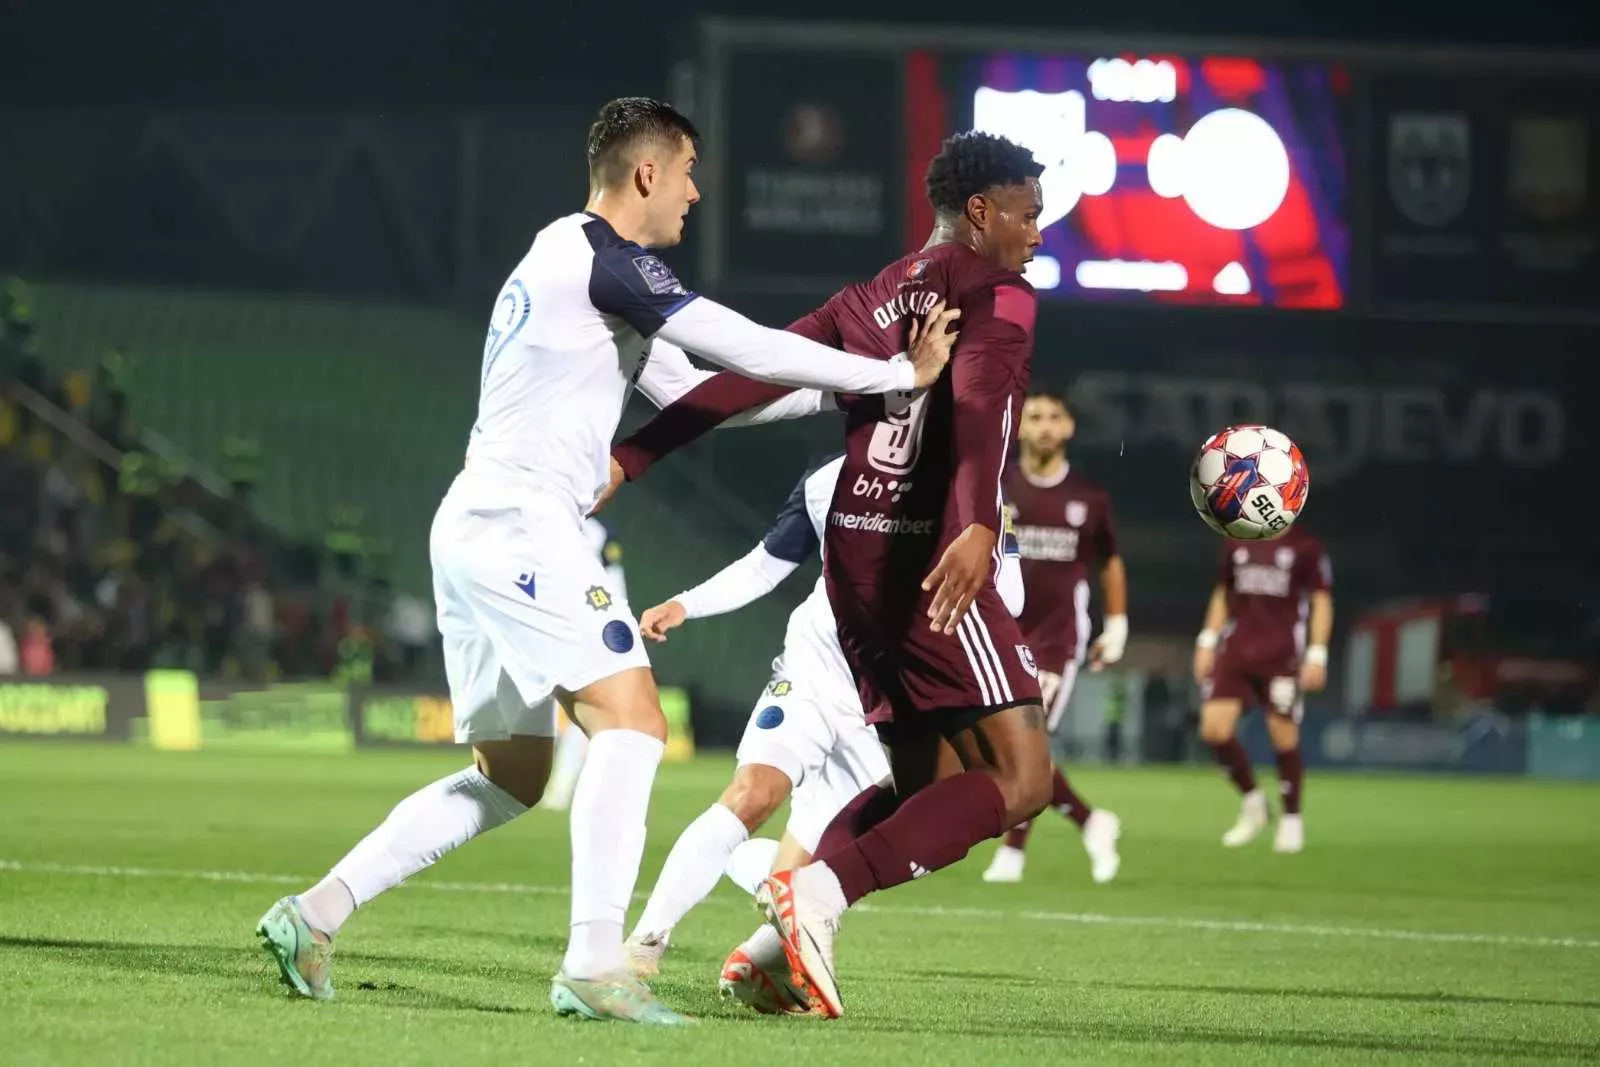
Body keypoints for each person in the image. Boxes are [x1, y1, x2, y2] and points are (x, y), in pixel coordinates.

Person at [252, 96, 959, 1026]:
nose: (697, 194)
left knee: (510, 776)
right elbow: (744, 343)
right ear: (647, 172)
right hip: (522, 522)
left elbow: (705, 394)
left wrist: (856, 401)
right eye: (690, 173)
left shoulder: (571, 266)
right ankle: (594, 964)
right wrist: (893, 374)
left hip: (474, 523)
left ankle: (315, 912)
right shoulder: (602, 259)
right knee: (634, 723)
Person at [608, 130, 1054, 1018]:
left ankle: (775, 950)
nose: (1037, 234)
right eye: (1027, 215)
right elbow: (979, 407)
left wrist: (633, 455)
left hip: (853, 564)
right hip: (934, 558)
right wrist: (975, 521)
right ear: (980, 212)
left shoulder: (871, 295)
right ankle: (814, 892)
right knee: (1023, 780)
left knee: (928, 789)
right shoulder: (998, 291)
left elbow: (752, 377)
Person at [620, 453, 1026, 1015]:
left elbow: (1011, 594)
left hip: (887, 700)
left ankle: (760, 962)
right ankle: (644, 943)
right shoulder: (829, 478)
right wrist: (686, 604)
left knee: (807, 877)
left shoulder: (976, 492)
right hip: (816, 670)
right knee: (754, 791)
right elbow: (768, 564)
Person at [981, 388, 1126, 885]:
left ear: (1069, 428)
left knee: (1025, 743)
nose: (1045, 426)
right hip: (999, 633)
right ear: (1019, 426)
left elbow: (1110, 562)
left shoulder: (1088, 497)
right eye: (1035, 416)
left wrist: (1117, 626)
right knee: (995, 747)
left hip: (1056, 640)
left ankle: (1012, 855)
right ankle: (1090, 821)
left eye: (1054, 417)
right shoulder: (995, 487)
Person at [1192, 525, 1332, 854]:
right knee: (1214, 730)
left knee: (1282, 735)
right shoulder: (1236, 539)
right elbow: (1224, 592)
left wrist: (1317, 653)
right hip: (1236, 651)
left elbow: (1321, 599)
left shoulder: (1305, 546)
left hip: (1282, 655)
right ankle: (1254, 803)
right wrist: (1207, 640)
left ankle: (1291, 818)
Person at [539, 517, 628, 812]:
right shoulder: (539, 519)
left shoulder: (599, 531)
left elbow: (614, 585)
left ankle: (562, 788)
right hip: (547, 628)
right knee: (552, 711)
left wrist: (615, 629)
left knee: (582, 712)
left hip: (586, 632)